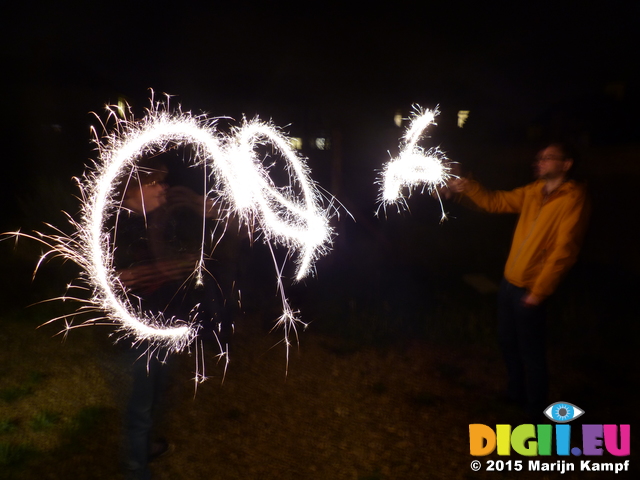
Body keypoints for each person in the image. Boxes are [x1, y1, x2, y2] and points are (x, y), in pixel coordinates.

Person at [448, 143, 589, 421]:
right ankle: (515, 394)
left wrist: (539, 292)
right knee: (506, 341)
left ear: (567, 164)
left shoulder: (573, 199)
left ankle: (536, 411)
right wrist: (468, 188)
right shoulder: (534, 191)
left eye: (548, 158)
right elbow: (495, 201)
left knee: (531, 351)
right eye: (539, 158)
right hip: (510, 281)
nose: (540, 162)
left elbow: (564, 252)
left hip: (531, 288)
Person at [114, 162, 228, 480]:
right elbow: (110, 280)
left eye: (164, 182)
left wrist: (207, 215)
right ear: (134, 189)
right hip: (133, 337)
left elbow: (183, 253)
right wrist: (141, 274)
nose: (163, 187)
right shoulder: (115, 227)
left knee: (158, 394)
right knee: (139, 407)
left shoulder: (160, 220)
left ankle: (145, 446)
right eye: (155, 183)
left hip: (163, 326)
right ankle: (136, 468)